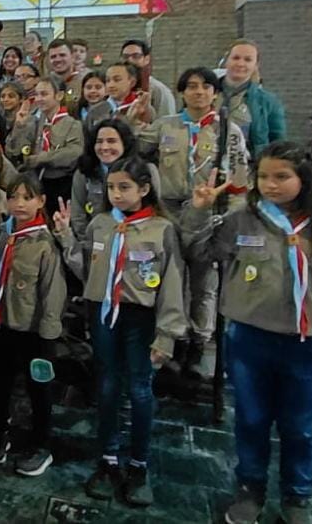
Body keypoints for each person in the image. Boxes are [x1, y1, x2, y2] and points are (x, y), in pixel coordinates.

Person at [184, 141, 312, 524]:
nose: (271, 185)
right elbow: (198, 253)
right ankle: (249, 488)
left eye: (281, 177)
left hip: (307, 346)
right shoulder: (243, 220)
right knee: (251, 419)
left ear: (304, 179)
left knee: (300, 426)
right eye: (264, 177)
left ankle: (297, 495)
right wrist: (199, 212)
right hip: (250, 340)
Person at [55, 157, 187, 507]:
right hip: (103, 314)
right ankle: (108, 458)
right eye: (112, 187)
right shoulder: (101, 224)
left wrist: (168, 334)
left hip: (140, 317)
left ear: (144, 189)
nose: (116, 194)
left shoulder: (161, 229)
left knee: (141, 389)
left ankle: (139, 464)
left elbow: (172, 284)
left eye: (124, 187)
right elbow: (85, 269)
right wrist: (67, 235)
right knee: (108, 384)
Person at [136, 67, 250, 374]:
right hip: (172, 212)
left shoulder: (228, 130)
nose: (198, 92)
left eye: (205, 87)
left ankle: (199, 341)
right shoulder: (166, 126)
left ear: (214, 92)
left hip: (209, 216)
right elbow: (134, 148)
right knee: (172, 279)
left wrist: (228, 217)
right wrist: (133, 118)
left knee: (203, 283)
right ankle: (175, 338)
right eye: (191, 87)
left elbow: (241, 179)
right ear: (182, 92)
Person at [0, 176, 66, 476]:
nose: (19, 203)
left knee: (38, 388)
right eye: (14, 197)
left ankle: (42, 444)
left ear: (41, 202)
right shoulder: (0, 235)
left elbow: (52, 292)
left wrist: (48, 335)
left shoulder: (45, 243)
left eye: (27, 198)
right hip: (0, 323)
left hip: (33, 330)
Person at [7, 76, 84, 217]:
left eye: (44, 94)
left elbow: (74, 153)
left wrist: (43, 158)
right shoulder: (35, 123)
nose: (39, 99)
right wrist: (19, 126)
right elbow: (15, 151)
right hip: (37, 182)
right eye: (36, 94)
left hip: (62, 183)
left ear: (59, 95)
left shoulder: (73, 124)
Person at [70, 120, 141, 242]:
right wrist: (91, 244)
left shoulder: (144, 170)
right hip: (95, 241)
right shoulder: (83, 173)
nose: (104, 147)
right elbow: (78, 216)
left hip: (136, 240)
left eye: (111, 141)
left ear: (125, 144)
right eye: (99, 142)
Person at [222, 40, 287, 156]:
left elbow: (278, 143)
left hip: (251, 167)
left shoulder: (270, 102)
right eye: (236, 58)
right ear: (226, 60)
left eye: (248, 60)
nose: (240, 63)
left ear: (256, 65)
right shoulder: (205, 92)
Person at [121, 40, 176, 118]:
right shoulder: (116, 89)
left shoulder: (158, 90)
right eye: (125, 57)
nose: (130, 60)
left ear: (146, 59)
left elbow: (167, 123)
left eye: (136, 56)